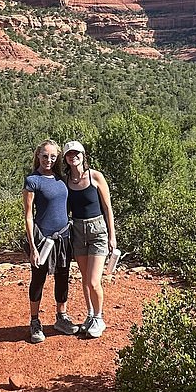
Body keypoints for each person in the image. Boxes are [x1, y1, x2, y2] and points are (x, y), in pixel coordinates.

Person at [23, 139, 79, 343]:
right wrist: (32, 247)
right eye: (45, 156)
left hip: (64, 236)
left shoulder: (61, 179)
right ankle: (35, 321)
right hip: (43, 238)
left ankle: (61, 317)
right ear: (38, 155)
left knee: (63, 276)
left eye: (53, 156)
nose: (48, 159)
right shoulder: (32, 180)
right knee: (38, 279)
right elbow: (28, 215)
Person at [63, 140, 116, 339]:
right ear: (66, 159)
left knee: (94, 281)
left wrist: (112, 236)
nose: (73, 156)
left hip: (97, 230)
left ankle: (99, 317)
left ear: (83, 155)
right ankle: (90, 315)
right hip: (77, 230)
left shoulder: (95, 176)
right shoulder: (66, 180)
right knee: (85, 280)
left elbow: (108, 207)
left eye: (76, 153)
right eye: (69, 154)